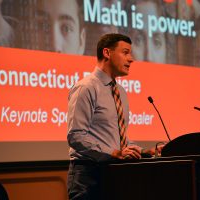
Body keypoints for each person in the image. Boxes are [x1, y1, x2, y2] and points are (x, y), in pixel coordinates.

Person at [67, 33, 161, 200]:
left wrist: (145, 152)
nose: (131, 59)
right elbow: (76, 136)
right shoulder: (86, 88)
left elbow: (117, 140)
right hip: (88, 176)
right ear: (107, 53)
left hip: (115, 173)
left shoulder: (121, 92)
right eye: (125, 52)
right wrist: (114, 153)